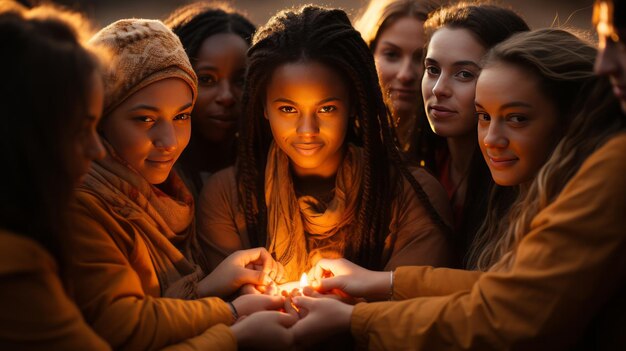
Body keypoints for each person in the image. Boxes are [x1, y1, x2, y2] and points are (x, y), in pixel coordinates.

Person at [290, 27, 626, 350]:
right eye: (483, 116)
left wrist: (356, 319)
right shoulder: (544, 186)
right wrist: (384, 282)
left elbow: (506, 314)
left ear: (569, 118)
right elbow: (507, 286)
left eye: (518, 119)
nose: (492, 140)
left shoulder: (608, 169)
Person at [61, 18, 295, 350]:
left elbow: (158, 307)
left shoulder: (173, 190)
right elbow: (122, 325)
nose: (169, 141)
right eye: (145, 119)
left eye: (182, 116)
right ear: (100, 116)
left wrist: (216, 282)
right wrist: (229, 313)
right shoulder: (82, 203)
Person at [198, 5, 455, 282]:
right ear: (263, 106)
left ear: (353, 104)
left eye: (326, 109)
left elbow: (408, 308)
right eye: (287, 109)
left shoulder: (410, 195)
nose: (307, 130)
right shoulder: (228, 195)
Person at [0, 3, 110, 349]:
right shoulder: (14, 270)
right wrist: (231, 332)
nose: (98, 150)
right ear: (27, 136)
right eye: (81, 130)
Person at [418, 2, 529, 262]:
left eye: (464, 74)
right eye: (432, 70)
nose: (438, 89)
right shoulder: (424, 160)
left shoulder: (518, 182)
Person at [165, 2, 256, 199]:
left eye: (241, 80)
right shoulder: (148, 171)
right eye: (206, 79)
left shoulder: (268, 172)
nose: (226, 97)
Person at [354, 0, 439, 163]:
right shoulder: (344, 144)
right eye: (392, 54)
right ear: (367, 53)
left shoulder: (448, 160)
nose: (405, 75)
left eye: (421, 58)